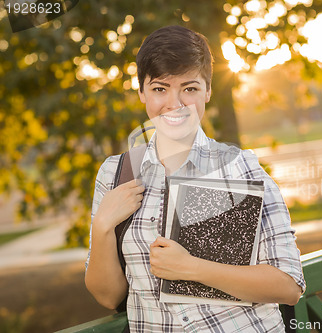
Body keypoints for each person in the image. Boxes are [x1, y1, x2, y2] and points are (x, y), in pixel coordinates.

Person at [85, 25, 305, 332]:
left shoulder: (241, 168)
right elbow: (108, 296)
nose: (175, 104)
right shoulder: (116, 174)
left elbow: (288, 285)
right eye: (160, 89)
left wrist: (192, 268)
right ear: (141, 93)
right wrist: (102, 226)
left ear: (208, 91)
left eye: (189, 88)